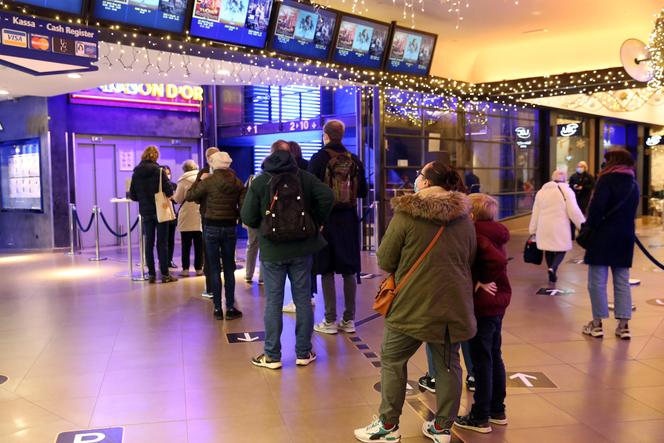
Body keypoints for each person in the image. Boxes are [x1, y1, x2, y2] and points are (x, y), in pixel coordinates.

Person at [354, 162, 476, 443]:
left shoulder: (407, 215)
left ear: (426, 182)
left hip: (411, 305)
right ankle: (443, 428)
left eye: (420, 175)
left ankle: (387, 426)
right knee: (448, 365)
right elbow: (470, 257)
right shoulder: (464, 217)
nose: (416, 179)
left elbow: (385, 260)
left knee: (393, 360)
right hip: (453, 305)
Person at [241, 147, 334, 369]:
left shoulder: (261, 181)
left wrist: (264, 228)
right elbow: (328, 196)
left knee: (273, 302)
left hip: (273, 251)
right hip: (302, 249)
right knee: (302, 300)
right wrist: (315, 221)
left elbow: (246, 216)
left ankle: (272, 356)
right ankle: (303, 353)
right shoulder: (304, 178)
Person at [453, 193, 511, 434]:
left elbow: (496, 262)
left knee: (482, 360)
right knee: (494, 355)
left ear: (472, 215)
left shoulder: (477, 234)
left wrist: (481, 280)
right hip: (497, 304)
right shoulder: (494, 231)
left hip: (483, 305)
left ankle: (480, 416)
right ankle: (497, 409)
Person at [309, 120, 368, 335]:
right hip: (349, 220)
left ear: (325, 135)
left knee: (326, 269)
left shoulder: (318, 159)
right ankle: (349, 319)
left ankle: (330, 320)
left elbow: (310, 190)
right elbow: (362, 191)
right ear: (342, 135)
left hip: (325, 220)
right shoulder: (354, 160)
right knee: (348, 269)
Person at [582, 148, 639, 340]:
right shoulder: (633, 183)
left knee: (597, 281)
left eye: (606, 161)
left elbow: (597, 210)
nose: (604, 164)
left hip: (602, 236)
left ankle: (597, 324)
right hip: (625, 237)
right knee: (622, 281)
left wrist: (587, 228)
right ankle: (623, 326)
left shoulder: (605, 181)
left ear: (613, 162)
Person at [186, 151, 245, 321]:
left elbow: (190, 196)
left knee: (213, 267)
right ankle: (231, 307)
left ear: (213, 164)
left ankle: (218, 308)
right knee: (229, 268)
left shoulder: (208, 181)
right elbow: (242, 204)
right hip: (229, 228)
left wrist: (199, 180)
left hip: (211, 226)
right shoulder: (236, 182)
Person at [129, 146, 178, 284]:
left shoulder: (136, 173)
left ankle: (151, 274)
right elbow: (169, 191)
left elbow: (133, 195)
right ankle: (165, 274)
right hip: (160, 211)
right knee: (162, 243)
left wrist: (144, 198)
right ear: (155, 156)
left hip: (146, 212)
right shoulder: (160, 171)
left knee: (148, 243)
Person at [528, 170, 585, 283]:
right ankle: (553, 268)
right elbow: (574, 211)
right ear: (565, 179)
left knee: (548, 249)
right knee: (562, 249)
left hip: (544, 226)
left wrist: (533, 229)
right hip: (560, 226)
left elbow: (535, 212)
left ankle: (551, 271)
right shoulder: (567, 191)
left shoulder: (541, 192)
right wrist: (582, 224)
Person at [282, 140, 315, 313]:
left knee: (295, 267)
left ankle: (298, 300)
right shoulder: (308, 166)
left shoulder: (285, 171)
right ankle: (309, 296)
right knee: (307, 264)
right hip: (308, 221)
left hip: (289, 222)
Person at [173, 160, 203, 277]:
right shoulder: (202, 178)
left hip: (186, 215)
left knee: (186, 245)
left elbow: (179, 199)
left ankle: (185, 269)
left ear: (184, 169)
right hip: (199, 214)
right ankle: (199, 268)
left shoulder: (183, 180)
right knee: (199, 245)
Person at [196, 147, 220, 298]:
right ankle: (213, 287)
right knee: (214, 253)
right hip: (221, 218)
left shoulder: (205, 173)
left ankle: (212, 288)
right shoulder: (230, 174)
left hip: (209, 217)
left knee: (210, 252)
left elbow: (195, 195)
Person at [243, 173, 263, 285]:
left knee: (251, 245)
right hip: (264, 219)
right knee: (264, 247)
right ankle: (262, 277)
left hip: (252, 218)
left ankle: (248, 274)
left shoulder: (251, 179)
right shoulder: (270, 180)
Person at [163, 165, 178, 269]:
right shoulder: (158, 186)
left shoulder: (173, 185)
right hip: (163, 214)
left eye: (169, 173)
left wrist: (173, 197)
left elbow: (176, 200)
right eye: (166, 173)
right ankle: (163, 260)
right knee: (163, 240)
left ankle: (170, 259)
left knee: (171, 240)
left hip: (172, 214)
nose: (168, 175)